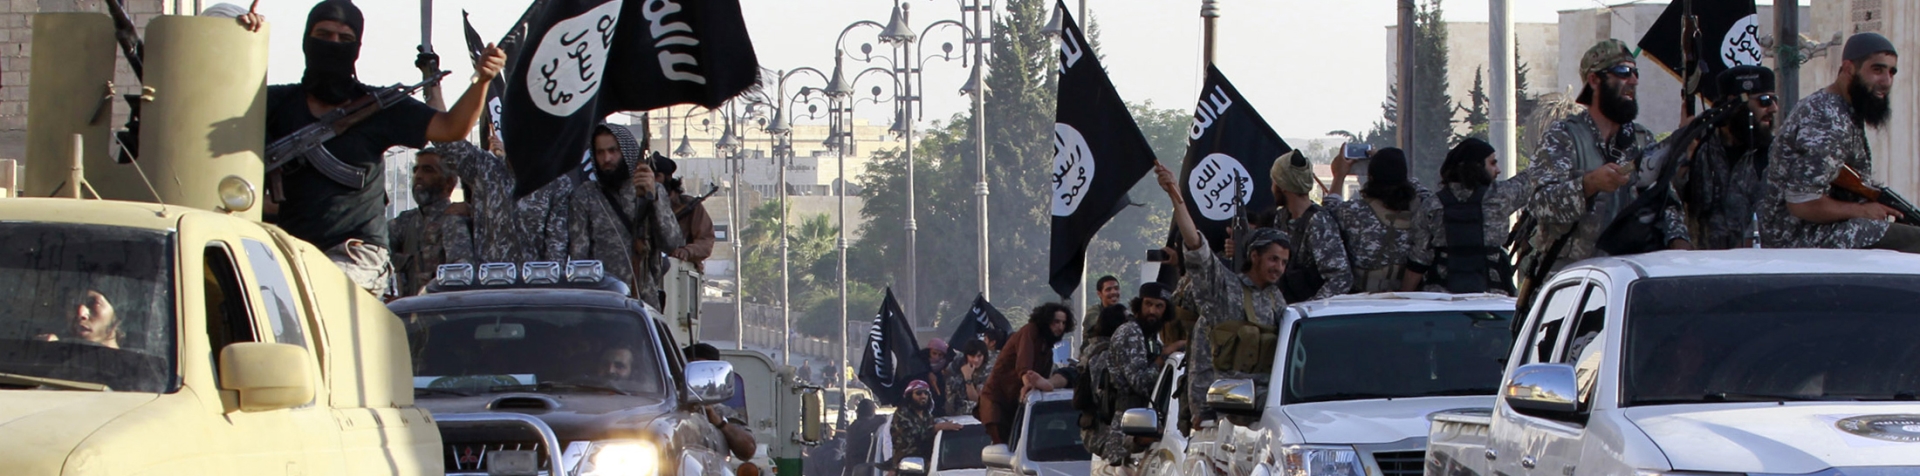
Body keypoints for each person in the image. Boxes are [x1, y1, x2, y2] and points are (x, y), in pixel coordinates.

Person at [260, 1, 505, 296]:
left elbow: (451, 127)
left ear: (357, 47)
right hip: (289, 250)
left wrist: (482, 81)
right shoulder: (276, 105)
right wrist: (243, 34)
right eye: (323, 36)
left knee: (321, 294)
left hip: (355, 254)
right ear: (306, 41)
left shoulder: (375, 107)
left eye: (345, 39)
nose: (333, 45)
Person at [1521, 39, 1691, 297]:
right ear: (1594, 80)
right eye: (1623, 72)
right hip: (1572, 287)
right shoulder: (1563, 137)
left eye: (1636, 73)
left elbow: (1666, 203)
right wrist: (1589, 184)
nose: (1633, 81)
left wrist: (1679, 251)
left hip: (1628, 285)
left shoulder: (1642, 141)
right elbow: (1541, 204)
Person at [1154, 161, 1289, 430]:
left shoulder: (1278, 301)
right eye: (1273, 259)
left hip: (1267, 417)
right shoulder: (1225, 291)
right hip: (1222, 418)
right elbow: (1195, 246)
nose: (1278, 268)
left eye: (1284, 262)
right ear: (1254, 256)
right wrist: (1175, 195)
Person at [1761, 33, 1919, 252]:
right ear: (1848, 68)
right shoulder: (1827, 118)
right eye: (1877, 70)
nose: (1886, 81)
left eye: (1891, 72)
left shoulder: (1843, 110)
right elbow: (1802, 203)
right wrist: (1863, 211)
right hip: (1797, 239)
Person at [1405, 139, 1549, 294]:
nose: (1498, 170)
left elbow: (1418, 260)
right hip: (1491, 297)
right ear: (1477, 167)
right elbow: (1537, 173)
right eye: (1493, 163)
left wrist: (1403, 298)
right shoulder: (1502, 197)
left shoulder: (1431, 205)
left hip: (1442, 299)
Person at [568, 124, 685, 306]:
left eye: (613, 151)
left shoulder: (653, 191)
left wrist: (653, 198)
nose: (607, 159)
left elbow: (672, 243)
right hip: (601, 301)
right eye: (600, 152)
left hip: (643, 301)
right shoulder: (586, 196)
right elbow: (579, 258)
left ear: (626, 151)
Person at [1679, 66, 1782, 250]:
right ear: (1735, 103)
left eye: (1775, 100)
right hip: (1701, 268)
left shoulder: (1776, 155)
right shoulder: (1700, 147)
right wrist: (1682, 152)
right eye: (1764, 100)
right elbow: (1671, 203)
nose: (1774, 109)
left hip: (1756, 269)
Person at [1092, 283, 1173, 473]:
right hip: (1128, 433)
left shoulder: (1150, 336)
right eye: (1148, 304)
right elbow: (1141, 382)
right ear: (1139, 305)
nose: (1152, 311)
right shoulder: (1131, 332)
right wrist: (1164, 356)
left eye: (1159, 306)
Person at [1326, 147, 1429, 293]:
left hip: (1365, 304)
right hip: (1410, 300)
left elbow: (1328, 212)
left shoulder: (1353, 212)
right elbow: (1421, 190)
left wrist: (1339, 175)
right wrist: (1393, 167)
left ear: (1370, 177)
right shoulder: (1423, 209)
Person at [978, 303, 1073, 445]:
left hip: (1019, 405)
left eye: (1063, 323)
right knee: (1003, 446)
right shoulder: (1030, 331)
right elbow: (1024, 365)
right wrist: (1028, 384)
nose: (1060, 327)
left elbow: (1042, 379)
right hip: (997, 401)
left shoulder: (1048, 350)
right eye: (1056, 322)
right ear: (1046, 320)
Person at [388, 148, 475, 296]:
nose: (419, 176)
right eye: (416, 170)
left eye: (428, 170)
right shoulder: (406, 221)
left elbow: (460, 274)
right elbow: (379, 246)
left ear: (449, 182)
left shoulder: (454, 221)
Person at [1268, 150, 1352, 301]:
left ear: (1283, 186)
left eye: (1275, 182)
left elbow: (1340, 278)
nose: (1272, 187)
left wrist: (1311, 309)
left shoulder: (1319, 223)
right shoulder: (1282, 218)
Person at [686, 343, 757, 460]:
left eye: (704, 371)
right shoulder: (667, 406)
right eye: (692, 370)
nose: (699, 378)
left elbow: (747, 450)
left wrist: (719, 422)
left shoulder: (719, 411)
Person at [654, 155, 717, 268]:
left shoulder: (688, 205)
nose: (652, 181)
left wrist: (687, 251)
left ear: (668, 178)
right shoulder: (637, 203)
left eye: (656, 176)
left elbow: (706, 240)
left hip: (681, 269)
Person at [888, 380, 963, 473]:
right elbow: (912, 438)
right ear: (910, 396)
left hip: (931, 464)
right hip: (907, 466)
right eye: (918, 393)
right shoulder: (902, 414)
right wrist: (936, 428)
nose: (923, 396)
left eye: (926, 393)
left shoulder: (928, 416)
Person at [37, 289, 123, 349]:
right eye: (73, 303)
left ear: (117, 316)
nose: (80, 313)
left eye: (93, 303)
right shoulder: (56, 354)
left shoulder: (129, 369)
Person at [943, 339, 990, 416]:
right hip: (953, 404)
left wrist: (968, 377)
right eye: (972, 356)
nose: (976, 360)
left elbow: (977, 400)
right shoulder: (959, 361)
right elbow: (946, 373)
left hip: (974, 409)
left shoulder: (987, 370)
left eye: (979, 356)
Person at [841, 398, 884, 476]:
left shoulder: (853, 429)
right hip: (863, 469)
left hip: (857, 470)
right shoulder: (876, 426)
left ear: (858, 413)